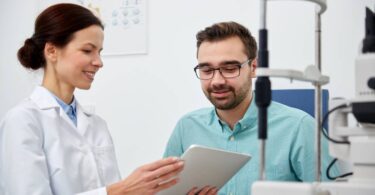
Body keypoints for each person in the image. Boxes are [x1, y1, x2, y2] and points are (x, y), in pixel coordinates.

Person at [0, 3, 184, 195]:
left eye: (100, 51)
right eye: (88, 50)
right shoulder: (22, 121)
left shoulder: (97, 125)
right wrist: (120, 191)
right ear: (52, 51)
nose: (99, 62)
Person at [163, 21, 340, 195]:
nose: (217, 81)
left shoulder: (299, 127)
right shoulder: (187, 127)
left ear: (253, 68)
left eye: (230, 68)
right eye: (207, 70)